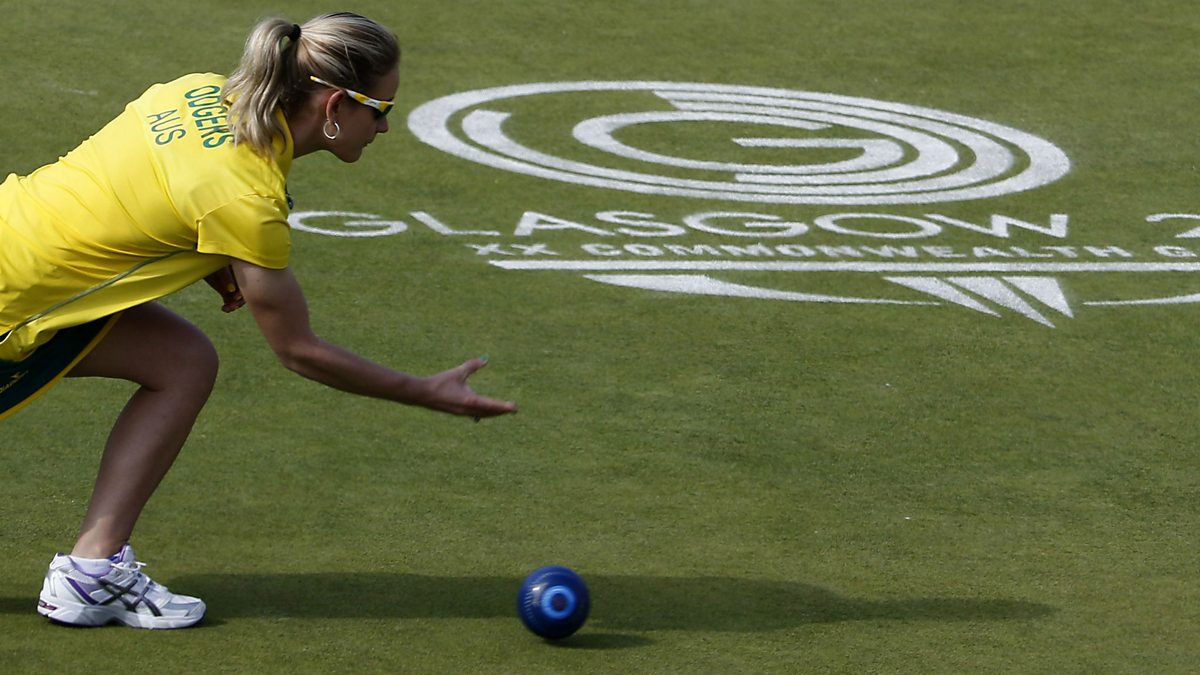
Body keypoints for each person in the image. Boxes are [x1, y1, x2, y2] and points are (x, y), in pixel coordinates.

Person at [0, 12, 516, 629]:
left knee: (182, 361)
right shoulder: (247, 199)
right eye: (380, 110)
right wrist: (426, 392)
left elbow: (135, 191)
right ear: (333, 105)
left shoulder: (192, 90)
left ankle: (91, 572)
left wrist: (210, 254)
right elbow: (299, 352)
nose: (382, 127)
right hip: (15, 304)